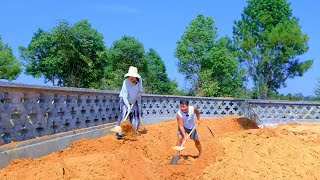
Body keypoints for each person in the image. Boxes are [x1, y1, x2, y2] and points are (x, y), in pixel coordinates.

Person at [116, 66, 143, 139]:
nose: (131, 78)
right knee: (124, 114)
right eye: (130, 76)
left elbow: (140, 90)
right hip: (124, 99)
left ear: (136, 76)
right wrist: (128, 106)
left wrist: (136, 98)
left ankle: (134, 131)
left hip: (134, 99)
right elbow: (124, 96)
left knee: (136, 115)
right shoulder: (126, 82)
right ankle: (119, 132)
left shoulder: (139, 81)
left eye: (133, 76)